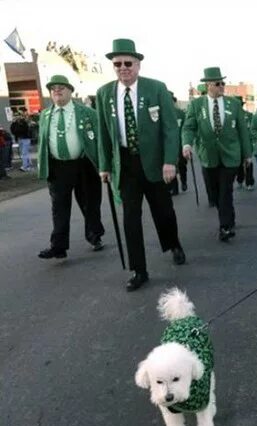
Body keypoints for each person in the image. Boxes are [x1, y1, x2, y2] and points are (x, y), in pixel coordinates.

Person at [96, 38, 186, 291]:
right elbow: (104, 133)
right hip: (125, 164)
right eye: (117, 64)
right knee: (130, 219)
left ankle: (173, 244)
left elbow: (170, 128)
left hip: (156, 163)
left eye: (128, 63)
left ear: (138, 65)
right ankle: (139, 269)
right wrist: (105, 165)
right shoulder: (105, 94)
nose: (123, 68)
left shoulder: (156, 88)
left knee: (164, 212)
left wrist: (170, 161)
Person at [37, 75, 105, 259]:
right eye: (53, 89)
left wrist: (104, 164)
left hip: (84, 165)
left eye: (61, 87)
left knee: (89, 203)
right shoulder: (45, 115)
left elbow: (100, 140)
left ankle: (94, 236)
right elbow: (44, 141)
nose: (57, 91)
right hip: (58, 168)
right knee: (59, 207)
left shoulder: (87, 113)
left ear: (70, 91)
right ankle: (58, 246)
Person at [182, 67, 252, 242]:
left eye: (223, 83)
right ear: (207, 85)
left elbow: (243, 131)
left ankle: (225, 226)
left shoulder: (233, 104)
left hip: (230, 155)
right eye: (217, 83)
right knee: (214, 194)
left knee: (225, 191)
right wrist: (187, 144)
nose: (222, 86)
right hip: (208, 156)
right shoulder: (196, 105)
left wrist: (247, 154)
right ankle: (229, 216)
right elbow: (189, 127)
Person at [168, 92, 188, 195]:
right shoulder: (162, 113)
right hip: (169, 146)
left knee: (182, 165)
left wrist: (187, 143)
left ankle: (184, 181)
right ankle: (174, 188)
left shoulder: (181, 113)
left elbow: (186, 129)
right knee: (172, 165)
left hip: (180, 144)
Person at [235, 96, 255, 191]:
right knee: (238, 163)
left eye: (239, 104)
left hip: (247, 142)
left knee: (249, 162)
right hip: (235, 143)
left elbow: (252, 129)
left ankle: (249, 182)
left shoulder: (249, 115)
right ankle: (240, 179)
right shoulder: (230, 116)